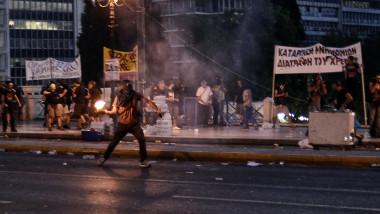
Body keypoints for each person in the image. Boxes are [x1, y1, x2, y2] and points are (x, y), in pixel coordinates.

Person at [97, 79, 163, 168]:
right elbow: (113, 111)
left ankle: (143, 161)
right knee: (114, 142)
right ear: (125, 85)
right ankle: (104, 158)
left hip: (134, 124)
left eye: (129, 84)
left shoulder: (135, 94)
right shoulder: (118, 97)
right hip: (123, 124)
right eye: (127, 84)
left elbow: (147, 101)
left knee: (142, 141)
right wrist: (105, 111)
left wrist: (157, 109)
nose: (128, 86)